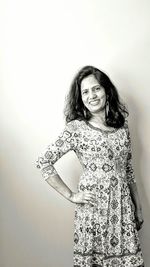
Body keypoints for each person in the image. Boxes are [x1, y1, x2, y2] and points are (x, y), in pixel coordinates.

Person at [35, 66, 144, 267]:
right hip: (93, 212)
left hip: (122, 210)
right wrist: (71, 195)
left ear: (106, 91)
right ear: (80, 97)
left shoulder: (122, 126)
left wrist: (137, 207)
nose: (92, 95)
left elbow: (128, 170)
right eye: (85, 92)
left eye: (96, 89)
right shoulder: (76, 128)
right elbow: (43, 162)